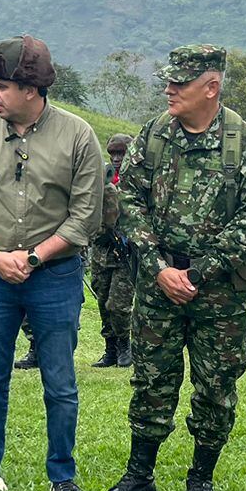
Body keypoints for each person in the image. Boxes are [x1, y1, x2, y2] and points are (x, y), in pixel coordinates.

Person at [95, 45, 246, 491]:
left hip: (221, 292)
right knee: (152, 379)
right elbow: (127, 200)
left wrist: (197, 272)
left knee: (217, 384)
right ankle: (139, 478)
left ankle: (201, 480)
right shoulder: (154, 134)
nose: (169, 89)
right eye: (169, 81)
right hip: (158, 284)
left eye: (180, 82)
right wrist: (158, 267)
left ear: (211, 87)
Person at [0, 35, 102, 491]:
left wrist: (34, 257)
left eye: (0, 86)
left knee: (60, 379)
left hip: (54, 276)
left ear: (30, 89)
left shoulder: (77, 136)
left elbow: (85, 215)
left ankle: (62, 476)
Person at [89, 133, 136, 368]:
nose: (117, 158)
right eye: (113, 153)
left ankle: (125, 346)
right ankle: (110, 350)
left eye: (121, 153)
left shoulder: (136, 181)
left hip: (124, 253)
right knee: (102, 300)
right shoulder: (101, 179)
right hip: (100, 250)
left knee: (118, 304)